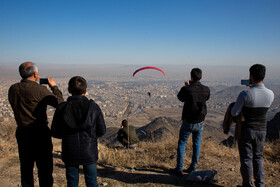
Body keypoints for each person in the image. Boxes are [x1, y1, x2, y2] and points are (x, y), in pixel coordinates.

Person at [8, 61, 64, 187]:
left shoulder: (13, 88)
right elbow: (60, 104)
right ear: (35, 74)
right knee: (44, 169)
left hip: (22, 132)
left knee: (26, 168)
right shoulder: (39, 90)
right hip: (39, 133)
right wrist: (54, 87)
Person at [51, 76, 106, 187]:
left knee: (72, 182)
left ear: (69, 90)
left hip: (70, 151)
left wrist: (67, 134)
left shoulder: (61, 108)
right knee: (92, 182)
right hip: (89, 151)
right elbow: (101, 131)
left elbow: (55, 132)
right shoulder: (93, 107)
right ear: (85, 90)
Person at [231, 64, 274, 187]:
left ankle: (247, 184)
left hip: (247, 130)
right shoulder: (270, 94)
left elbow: (235, 112)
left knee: (246, 159)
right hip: (262, 130)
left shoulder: (245, 93)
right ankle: (260, 183)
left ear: (251, 76)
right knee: (258, 157)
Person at [170, 68, 210, 176]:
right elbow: (206, 98)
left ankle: (179, 169)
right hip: (200, 121)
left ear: (191, 77)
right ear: (201, 77)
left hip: (188, 122)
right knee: (196, 144)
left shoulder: (187, 89)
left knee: (182, 144)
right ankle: (193, 167)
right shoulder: (206, 89)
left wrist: (187, 87)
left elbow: (180, 98)